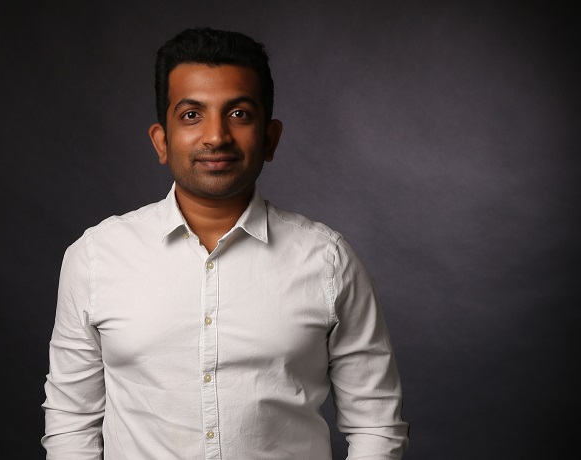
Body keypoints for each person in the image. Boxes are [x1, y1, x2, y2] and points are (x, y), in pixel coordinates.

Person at [42, 27, 409, 459]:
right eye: (192, 115)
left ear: (270, 138)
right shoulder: (96, 257)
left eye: (238, 114)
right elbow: (71, 422)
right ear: (162, 140)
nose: (216, 136)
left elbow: (376, 423)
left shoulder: (327, 261)